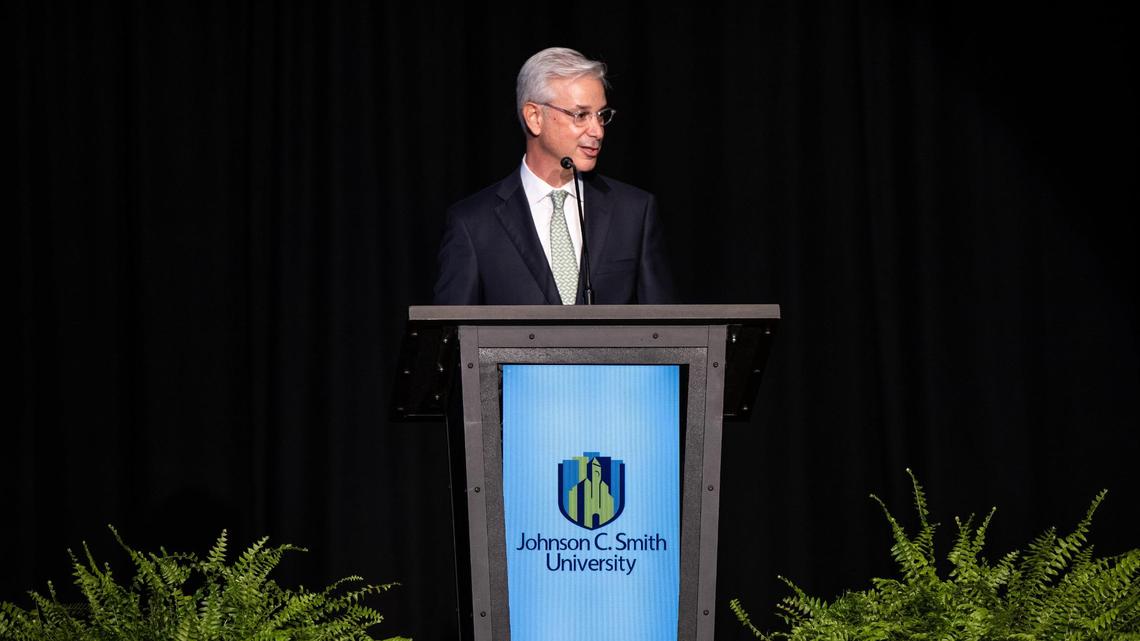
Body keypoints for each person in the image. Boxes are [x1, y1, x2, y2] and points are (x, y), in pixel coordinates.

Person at [432, 47, 676, 305]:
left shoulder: (635, 212)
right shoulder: (473, 224)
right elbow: (451, 338)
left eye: (601, 116)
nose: (597, 131)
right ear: (535, 117)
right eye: (581, 115)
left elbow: (664, 332)